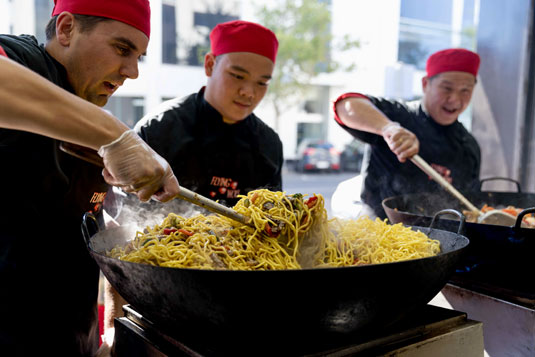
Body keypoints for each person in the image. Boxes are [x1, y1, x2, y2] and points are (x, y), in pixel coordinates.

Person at [0, 0, 180, 355]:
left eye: (139, 57)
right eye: (122, 48)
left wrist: (111, 329)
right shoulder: (24, 60)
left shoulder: (88, 119)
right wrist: (117, 136)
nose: (132, 71)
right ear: (66, 29)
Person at [102, 19, 283, 350]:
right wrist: (114, 326)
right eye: (238, 76)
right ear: (210, 64)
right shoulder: (161, 129)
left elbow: (274, 236)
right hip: (160, 299)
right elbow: (119, 239)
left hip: (237, 304)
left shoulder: (268, 146)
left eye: (262, 82)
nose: (249, 92)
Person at [333, 48, 481, 219]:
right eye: (447, 88)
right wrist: (388, 128)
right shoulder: (398, 115)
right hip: (379, 231)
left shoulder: (468, 145)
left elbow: (470, 203)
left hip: (440, 237)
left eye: (465, 90)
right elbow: (345, 105)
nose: (455, 99)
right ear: (425, 84)